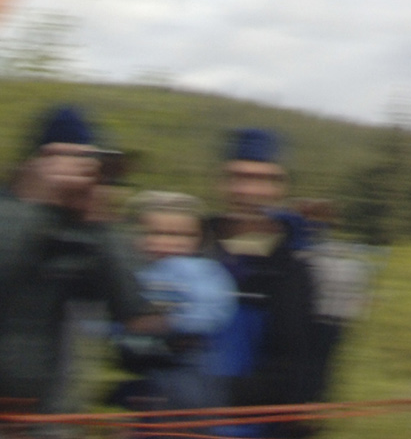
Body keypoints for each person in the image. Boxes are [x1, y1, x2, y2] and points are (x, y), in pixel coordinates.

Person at [0, 106, 152, 418]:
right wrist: (36, 204)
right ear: (32, 163)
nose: (68, 169)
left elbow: (133, 309)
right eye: (57, 156)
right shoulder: (9, 210)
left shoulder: (86, 229)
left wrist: (97, 215)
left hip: (50, 411)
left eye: (81, 158)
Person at [208, 127, 323, 431]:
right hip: (171, 422)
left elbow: (290, 369)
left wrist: (207, 393)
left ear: (279, 188)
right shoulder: (195, 247)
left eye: (261, 179)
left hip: (247, 425)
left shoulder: (292, 269)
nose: (249, 191)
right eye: (239, 177)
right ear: (222, 182)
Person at [113, 193, 237, 414]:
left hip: (185, 361)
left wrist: (171, 321)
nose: (169, 242)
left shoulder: (200, 270)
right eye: (156, 233)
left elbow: (213, 312)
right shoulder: (134, 272)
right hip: (139, 362)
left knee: (184, 409)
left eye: (182, 235)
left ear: (199, 239)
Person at [293, 199, 374, 408]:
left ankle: (309, 405)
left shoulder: (312, 253)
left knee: (314, 367)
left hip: (319, 318)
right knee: (320, 368)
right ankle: (313, 404)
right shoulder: (339, 254)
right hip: (329, 318)